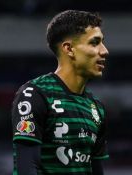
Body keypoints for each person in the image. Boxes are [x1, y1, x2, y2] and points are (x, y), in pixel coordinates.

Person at [11, 10, 109, 175]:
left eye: (102, 42)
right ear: (69, 49)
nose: (104, 51)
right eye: (94, 42)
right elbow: (27, 167)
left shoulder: (96, 108)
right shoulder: (35, 94)